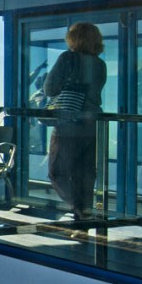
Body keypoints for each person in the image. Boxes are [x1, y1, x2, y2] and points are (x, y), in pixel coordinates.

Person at [43, 22, 106, 221]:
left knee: (57, 172)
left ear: (74, 38)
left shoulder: (67, 58)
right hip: (92, 125)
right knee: (85, 174)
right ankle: (83, 215)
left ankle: (77, 208)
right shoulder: (100, 64)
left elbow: (49, 89)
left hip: (68, 125)